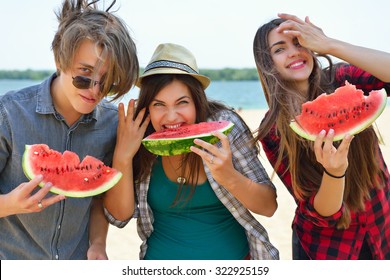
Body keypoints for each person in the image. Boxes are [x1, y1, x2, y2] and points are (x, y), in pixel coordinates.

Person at [103, 43, 279, 260]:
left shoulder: (225, 126)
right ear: (147, 107)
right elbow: (119, 217)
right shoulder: (138, 137)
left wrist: (229, 177)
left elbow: (269, 206)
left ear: (197, 101)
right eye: (159, 105)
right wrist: (123, 155)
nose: (171, 117)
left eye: (182, 103)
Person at [0, 0, 138, 259]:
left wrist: (98, 243)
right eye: (83, 76)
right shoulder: (9, 113)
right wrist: (10, 204)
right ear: (59, 61)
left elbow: (98, 199)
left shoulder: (111, 123)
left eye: (106, 83)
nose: (94, 92)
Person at [253, 13, 390, 259]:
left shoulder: (342, 79)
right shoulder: (274, 129)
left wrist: (330, 44)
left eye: (298, 43)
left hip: (383, 229)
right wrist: (334, 172)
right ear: (267, 63)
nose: (294, 52)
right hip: (331, 249)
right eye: (280, 49)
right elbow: (322, 213)